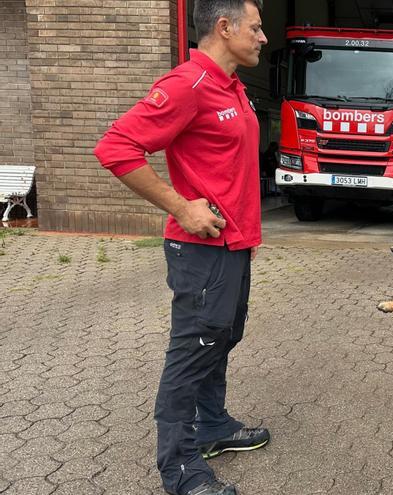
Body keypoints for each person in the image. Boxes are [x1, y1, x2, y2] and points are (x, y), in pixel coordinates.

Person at [93, 1, 268, 494]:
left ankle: (213, 426)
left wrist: (246, 237)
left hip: (230, 246)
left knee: (224, 336)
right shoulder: (186, 85)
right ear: (224, 27)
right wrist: (181, 206)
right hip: (200, 251)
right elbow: (116, 147)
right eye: (255, 28)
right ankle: (181, 470)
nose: (262, 38)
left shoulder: (232, 86)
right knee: (194, 350)